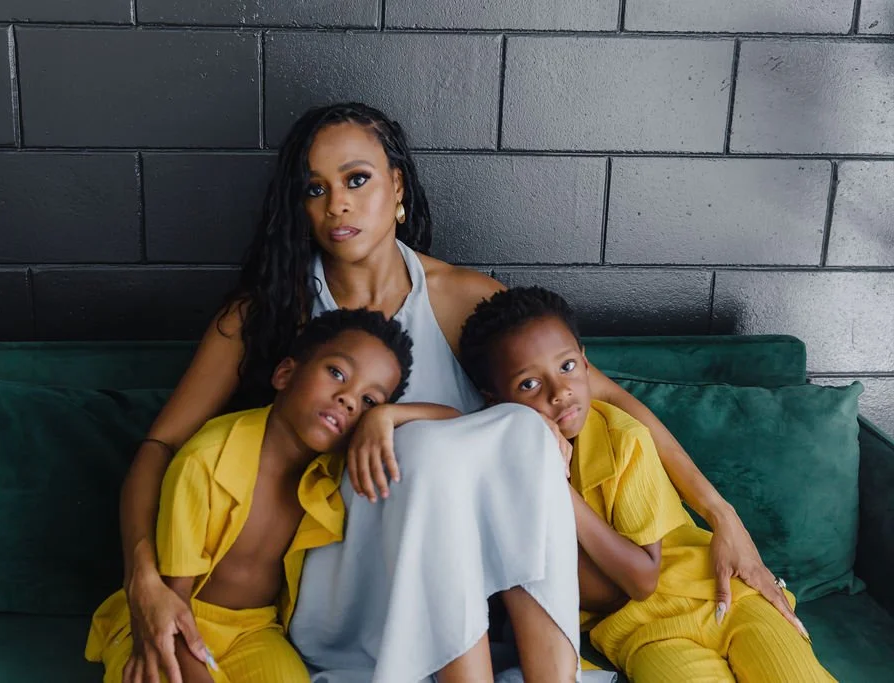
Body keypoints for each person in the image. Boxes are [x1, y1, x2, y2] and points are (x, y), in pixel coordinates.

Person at [118, 102, 803, 683]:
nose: (338, 203)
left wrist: (720, 512)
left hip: (474, 575)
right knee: (438, 451)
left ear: (398, 188)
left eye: (357, 179)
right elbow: (161, 445)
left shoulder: (463, 299)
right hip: (346, 567)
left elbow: (604, 398)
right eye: (315, 188)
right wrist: (144, 579)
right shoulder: (264, 311)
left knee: (526, 431)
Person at [459, 286, 834, 682]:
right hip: (642, 634)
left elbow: (643, 577)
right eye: (529, 385)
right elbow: (620, 594)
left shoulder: (623, 437)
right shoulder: (506, 485)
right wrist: (551, 482)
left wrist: (559, 488)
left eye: (567, 367)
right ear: (495, 401)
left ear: (586, 364)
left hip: (721, 594)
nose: (560, 392)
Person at [85, 308, 415, 682]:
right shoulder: (206, 459)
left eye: (369, 400)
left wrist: (385, 419)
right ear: (285, 373)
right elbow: (171, 605)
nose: (349, 400)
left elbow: (452, 417)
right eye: (337, 373)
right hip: (169, 617)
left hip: (254, 630)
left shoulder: (329, 469)